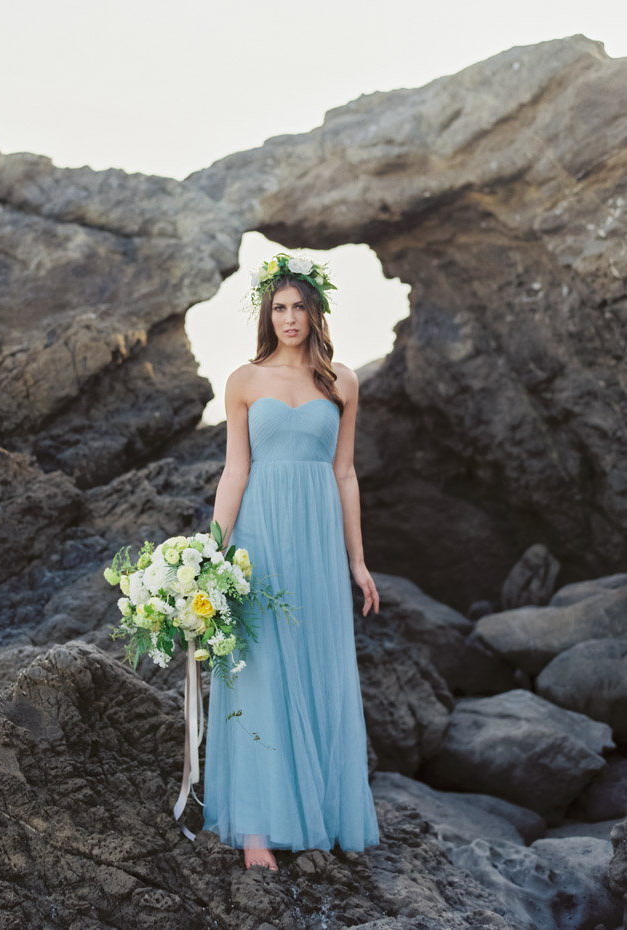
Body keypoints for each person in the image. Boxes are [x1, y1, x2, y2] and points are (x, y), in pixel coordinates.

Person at [202, 252, 380, 870]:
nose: (288, 317)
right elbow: (235, 469)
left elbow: (346, 474)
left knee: (318, 667)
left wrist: (356, 562)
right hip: (263, 538)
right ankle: (256, 828)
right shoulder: (244, 381)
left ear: (315, 311)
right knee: (262, 668)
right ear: (266, 314)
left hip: (318, 543)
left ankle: (316, 814)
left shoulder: (343, 381)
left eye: (298, 306)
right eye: (278, 307)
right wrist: (211, 552)